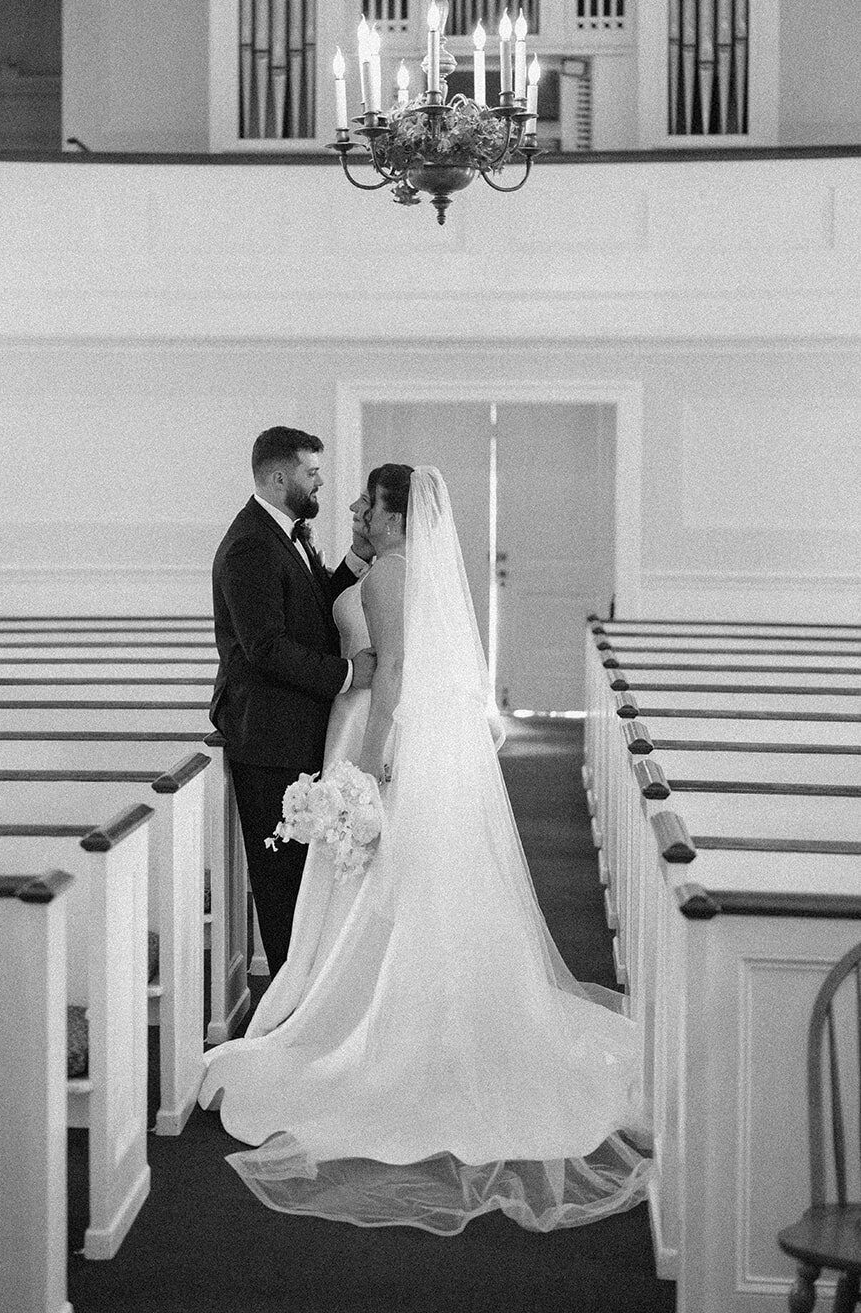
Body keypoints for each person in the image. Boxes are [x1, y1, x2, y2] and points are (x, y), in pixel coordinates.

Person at [200, 463, 651, 1234]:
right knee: (401, 889)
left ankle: (367, 1025)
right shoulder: (401, 572)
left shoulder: (386, 579)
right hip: (398, 733)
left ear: (394, 514)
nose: (357, 510)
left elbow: (396, 671)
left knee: (378, 885)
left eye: (369, 504)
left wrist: (366, 766)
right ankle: (403, 1009)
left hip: (375, 732)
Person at [210, 426, 377, 977]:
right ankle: (285, 999)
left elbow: (309, 608)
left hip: (294, 730)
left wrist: (355, 560)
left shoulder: (285, 533)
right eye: (311, 472)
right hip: (268, 738)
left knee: (305, 878)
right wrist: (349, 673)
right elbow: (266, 649)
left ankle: (302, 989)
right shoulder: (250, 547)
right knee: (282, 884)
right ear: (279, 478)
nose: (321, 480)